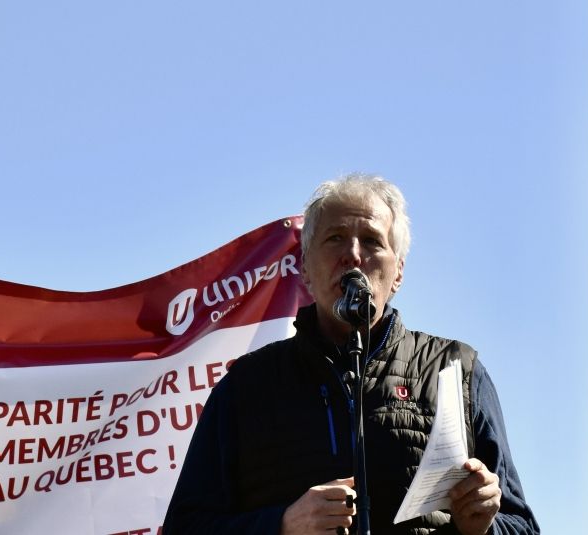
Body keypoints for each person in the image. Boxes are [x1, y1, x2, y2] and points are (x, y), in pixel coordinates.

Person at [162, 174, 538, 534]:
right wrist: (281, 526)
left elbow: (522, 527)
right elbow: (184, 526)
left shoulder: (457, 370)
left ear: (399, 272)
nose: (353, 255)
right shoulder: (247, 385)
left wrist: (484, 526)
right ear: (306, 268)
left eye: (372, 241)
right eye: (335, 238)